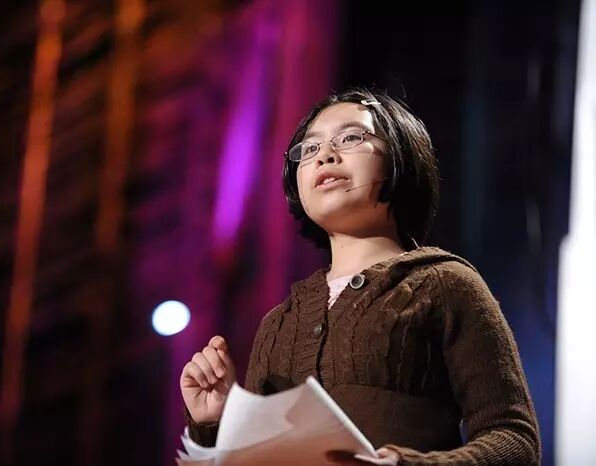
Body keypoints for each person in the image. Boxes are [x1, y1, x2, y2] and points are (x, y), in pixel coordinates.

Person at [179, 87, 540, 465]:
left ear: (401, 156)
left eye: (350, 137)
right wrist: (216, 424)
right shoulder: (277, 325)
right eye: (309, 148)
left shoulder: (446, 284)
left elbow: (515, 439)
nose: (324, 155)